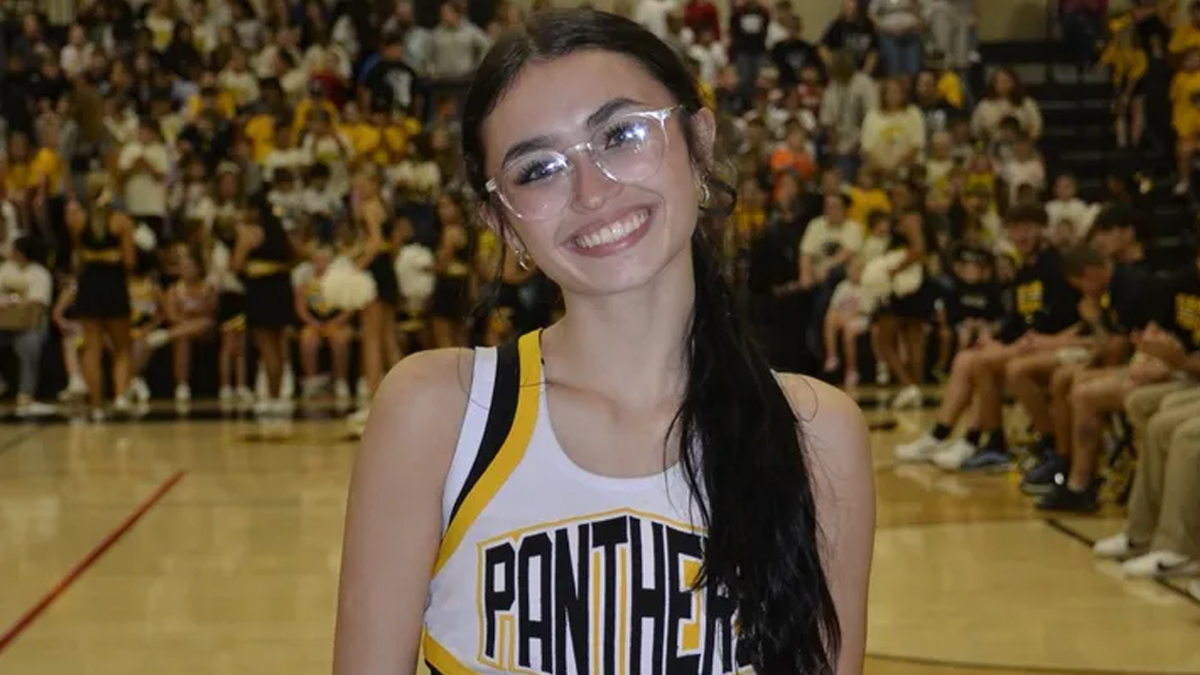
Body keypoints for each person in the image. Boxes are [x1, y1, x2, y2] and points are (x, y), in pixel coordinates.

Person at [334, 9, 873, 675]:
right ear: (501, 223)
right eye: (538, 169)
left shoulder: (816, 434)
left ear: (699, 143)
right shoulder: (437, 414)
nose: (592, 191)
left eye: (621, 134)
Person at [65, 194, 135, 422]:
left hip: (89, 286)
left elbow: (77, 255)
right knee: (122, 347)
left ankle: (95, 405)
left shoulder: (77, 220)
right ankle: (120, 397)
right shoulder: (122, 222)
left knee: (91, 349)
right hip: (114, 285)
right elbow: (130, 261)